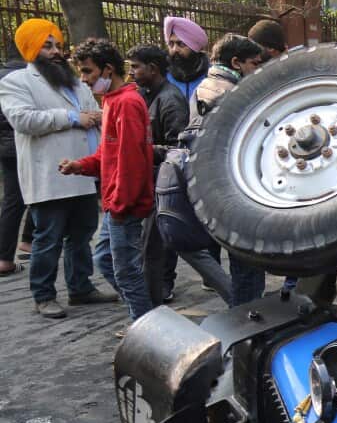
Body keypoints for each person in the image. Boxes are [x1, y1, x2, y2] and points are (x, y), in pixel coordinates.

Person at [0, 19, 115, 318]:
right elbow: (24, 120)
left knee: (82, 234)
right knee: (48, 238)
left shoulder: (75, 82)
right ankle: (44, 294)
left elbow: (96, 114)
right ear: (31, 49)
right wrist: (73, 117)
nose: (56, 52)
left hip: (83, 172)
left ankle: (80, 288)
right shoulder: (15, 83)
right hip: (49, 174)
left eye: (59, 46)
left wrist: (98, 119)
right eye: (47, 46)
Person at [59, 38, 154, 322]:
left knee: (126, 271)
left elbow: (132, 162)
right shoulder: (112, 102)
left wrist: (121, 204)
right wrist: (79, 166)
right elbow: (108, 154)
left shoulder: (126, 103)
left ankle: (148, 328)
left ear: (108, 70)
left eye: (88, 71)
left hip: (123, 204)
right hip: (115, 202)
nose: (83, 79)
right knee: (105, 261)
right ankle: (145, 322)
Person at [190, 34, 265, 307]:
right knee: (246, 264)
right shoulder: (226, 93)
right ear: (236, 62)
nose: (258, 70)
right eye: (254, 64)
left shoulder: (208, 87)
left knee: (244, 264)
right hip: (231, 190)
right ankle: (248, 318)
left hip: (219, 188)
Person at [127, 44, 192, 304]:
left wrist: (142, 149)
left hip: (165, 179)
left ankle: (162, 285)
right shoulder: (143, 94)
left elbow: (179, 147)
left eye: (135, 67)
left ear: (152, 69)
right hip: (148, 177)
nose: (131, 72)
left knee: (162, 240)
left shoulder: (170, 99)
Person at [0, 43, 27, 277]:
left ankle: (6, 256)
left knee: (13, 200)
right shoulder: (25, 78)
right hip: (24, 145)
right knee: (35, 196)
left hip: (5, 148)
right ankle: (20, 247)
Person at [164, 16, 209, 102]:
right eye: (171, 44)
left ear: (195, 47)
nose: (175, 49)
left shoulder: (211, 75)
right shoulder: (162, 76)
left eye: (181, 44)